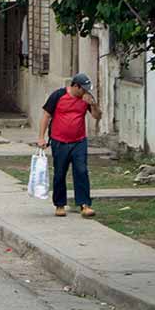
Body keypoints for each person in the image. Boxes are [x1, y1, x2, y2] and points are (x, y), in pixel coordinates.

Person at [38, 73, 102, 218]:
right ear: (75, 86)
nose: (85, 92)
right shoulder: (58, 95)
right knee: (60, 172)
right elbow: (46, 116)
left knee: (81, 171)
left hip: (79, 141)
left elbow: (97, 116)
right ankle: (60, 205)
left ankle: (84, 204)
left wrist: (93, 104)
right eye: (83, 89)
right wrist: (41, 137)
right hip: (59, 141)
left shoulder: (87, 99)